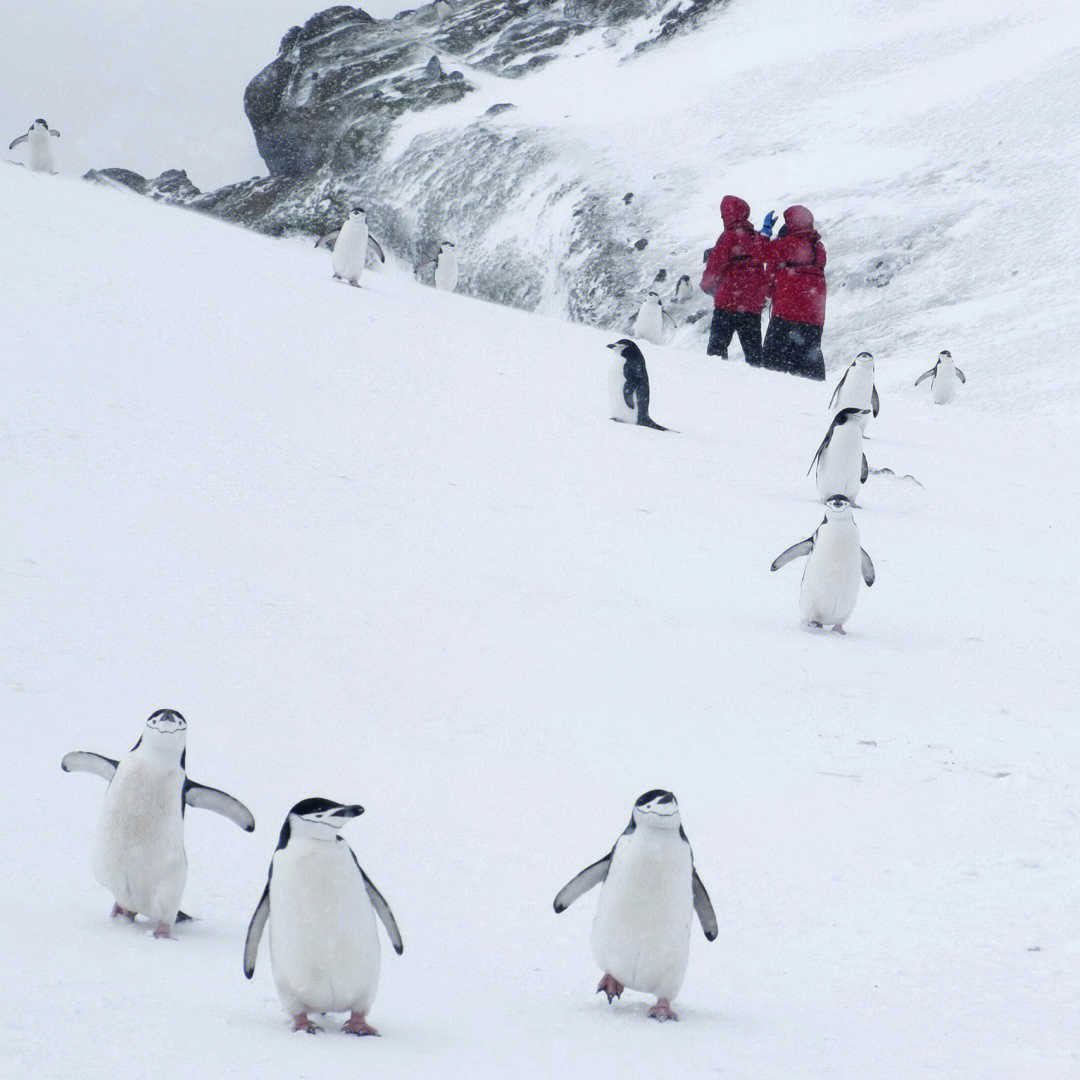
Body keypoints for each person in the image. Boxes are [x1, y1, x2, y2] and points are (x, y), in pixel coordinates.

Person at [699, 196, 775, 364]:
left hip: (727, 304)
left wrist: (706, 286)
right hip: (752, 307)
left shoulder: (728, 237)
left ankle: (715, 385)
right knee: (754, 356)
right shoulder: (756, 237)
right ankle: (757, 387)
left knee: (716, 353)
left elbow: (715, 266)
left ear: (728, 215)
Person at [762, 205, 827, 380]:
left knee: (771, 370)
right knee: (809, 374)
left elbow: (760, 254)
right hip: (813, 320)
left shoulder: (787, 246)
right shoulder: (819, 248)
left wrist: (765, 233)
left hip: (785, 317)